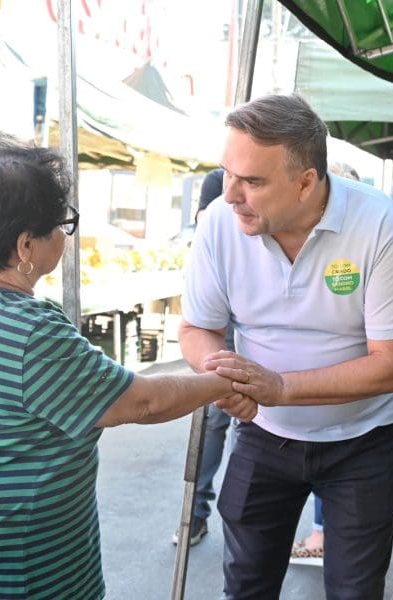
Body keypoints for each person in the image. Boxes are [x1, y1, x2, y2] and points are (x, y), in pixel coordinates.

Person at [0, 137, 256, 600]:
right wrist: (223, 381)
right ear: (25, 245)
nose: (66, 236)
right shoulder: (28, 332)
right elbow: (142, 403)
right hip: (16, 571)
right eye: (62, 225)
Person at [180, 94, 393, 599]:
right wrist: (221, 373)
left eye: (252, 181)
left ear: (306, 181)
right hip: (262, 432)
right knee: (246, 585)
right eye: (227, 173)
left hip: (364, 439)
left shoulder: (378, 223)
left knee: (354, 592)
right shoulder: (218, 224)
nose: (230, 195)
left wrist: (279, 386)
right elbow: (196, 327)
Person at [289, 160, 361, 567]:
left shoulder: (367, 242)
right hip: (284, 422)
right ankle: (321, 532)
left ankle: (322, 533)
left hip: (352, 420)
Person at [171, 167, 233, 547]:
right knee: (213, 420)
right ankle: (194, 514)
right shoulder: (215, 182)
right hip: (219, 327)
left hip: (257, 331)